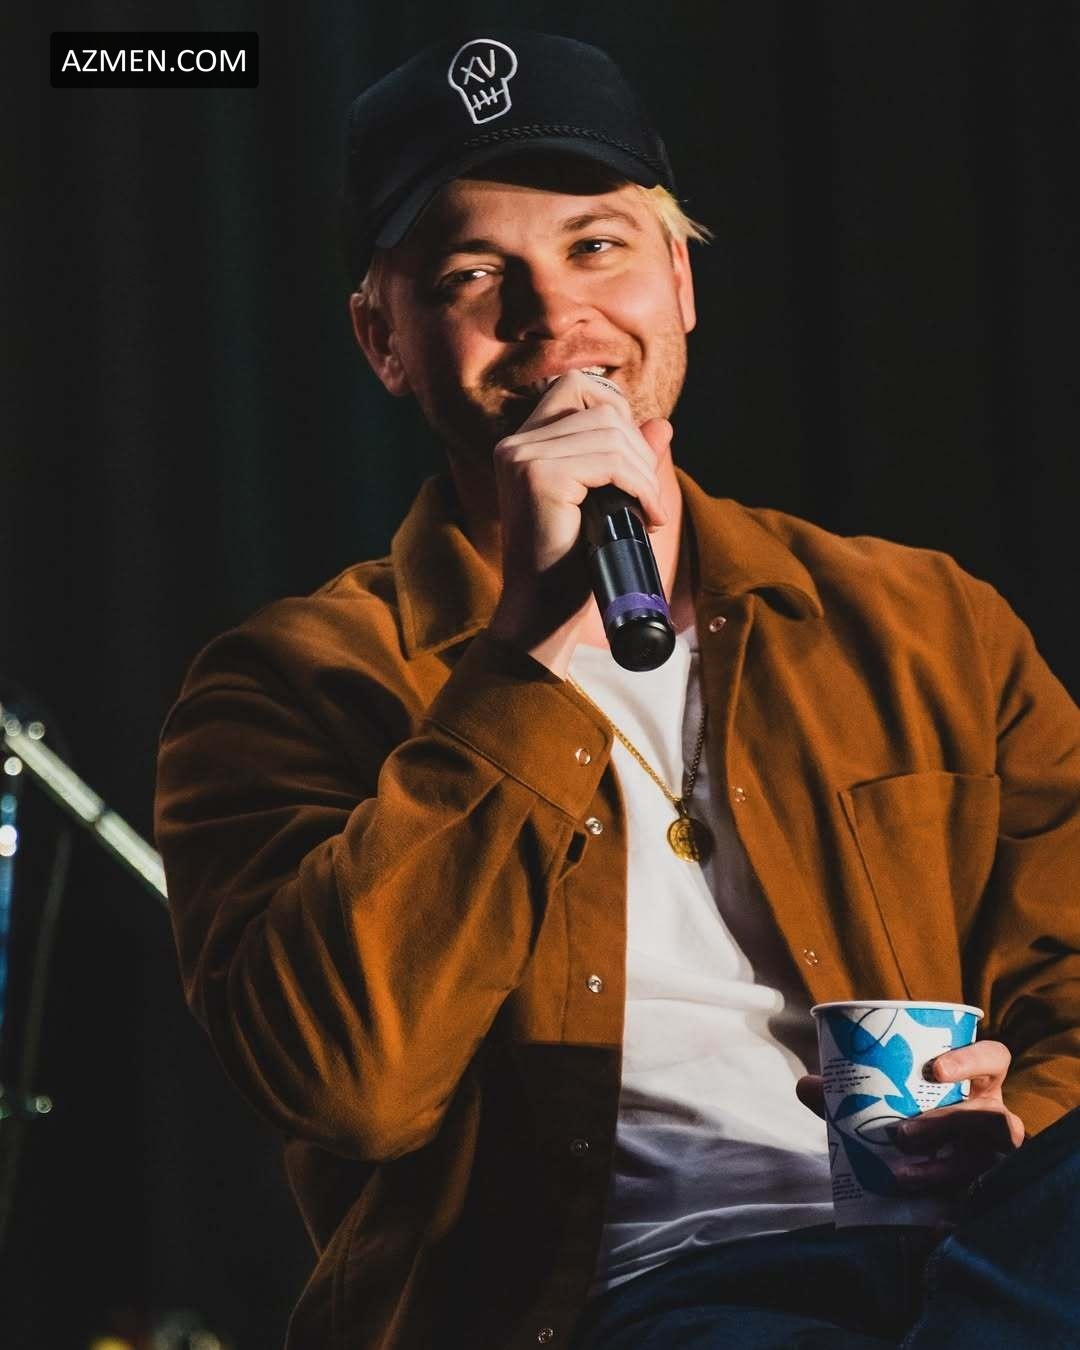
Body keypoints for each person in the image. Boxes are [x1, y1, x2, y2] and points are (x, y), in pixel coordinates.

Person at [155, 30, 1080, 1350]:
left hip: (983, 1252)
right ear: (384, 341)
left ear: (680, 283)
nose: (553, 315)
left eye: (597, 245)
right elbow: (348, 1082)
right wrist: (524, 657)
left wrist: (1024, 1117)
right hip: (642, 1300)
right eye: (474, 275)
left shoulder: (927, 624)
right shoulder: (287, 684)